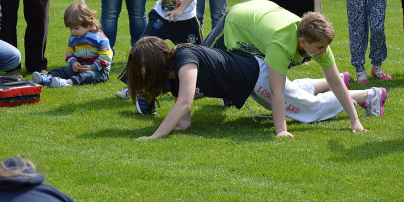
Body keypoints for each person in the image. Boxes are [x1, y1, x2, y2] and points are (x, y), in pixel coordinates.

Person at [126, 37, 386, 140]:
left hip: (253, 77)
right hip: (250, 72)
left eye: (142, 68)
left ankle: (368, 95)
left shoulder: (184, 62)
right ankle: (335, 80)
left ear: (156, 61)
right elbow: (184, 113)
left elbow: (185, 102)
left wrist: (154, 136)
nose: (141, 73)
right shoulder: (173, 70)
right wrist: (180, 124)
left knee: (307, 111)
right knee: (293, 91)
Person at [204, 0, 372, 137]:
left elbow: (336, 82)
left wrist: (355, 120)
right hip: (236, 19)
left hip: (263, 17)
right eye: (320, 48)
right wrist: (282, 130)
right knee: (201, 63)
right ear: (302, 42)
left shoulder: (320, 43)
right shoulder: (281, 44)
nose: (324, 51)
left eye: (326, 47)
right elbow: (277, 92)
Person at [32, 2, 113, 88]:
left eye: (76, 28)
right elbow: (69, 53)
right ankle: (47, 78)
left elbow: (106, 56)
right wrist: (74, 63)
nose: (72, 31)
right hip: (80, 66)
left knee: (87, 76)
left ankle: (67, 82)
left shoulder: (99, 37)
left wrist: (93, 67)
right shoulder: (74, 37)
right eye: (70, 28)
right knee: (64, 70)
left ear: (89, 25)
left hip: (99, 70)